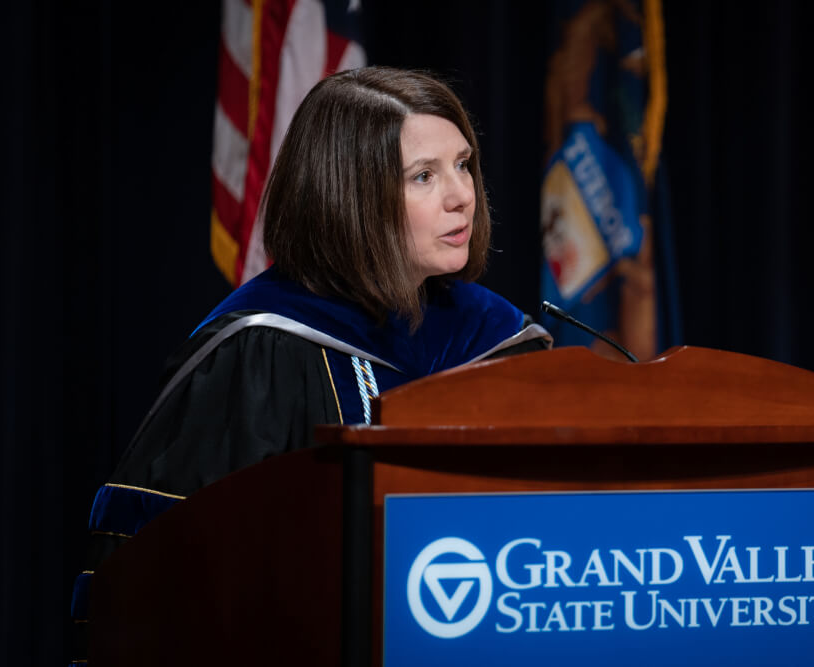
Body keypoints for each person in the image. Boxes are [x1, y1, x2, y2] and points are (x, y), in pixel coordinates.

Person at [69, 66, 551, 660]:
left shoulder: (500, 339)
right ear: (350, 196)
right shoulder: (262, 350)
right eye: (423, 176)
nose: (460, 195)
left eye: (463, 164)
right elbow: (168, 578)